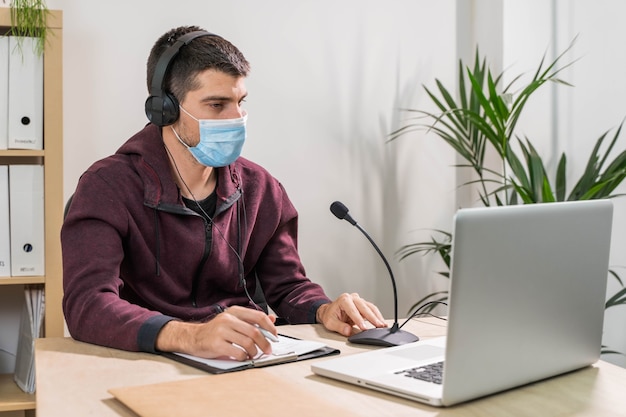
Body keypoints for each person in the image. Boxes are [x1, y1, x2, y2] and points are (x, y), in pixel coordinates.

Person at [61, 25, 387, 361]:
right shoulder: (106, 187)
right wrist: (188, 334)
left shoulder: (261, 188)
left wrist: (323, 309)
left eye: (240, 102)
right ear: (165, 110)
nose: (236, 118)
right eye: (217, 105)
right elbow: (87, 303)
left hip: (244, 357)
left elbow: (288, 285)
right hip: (148, 362)